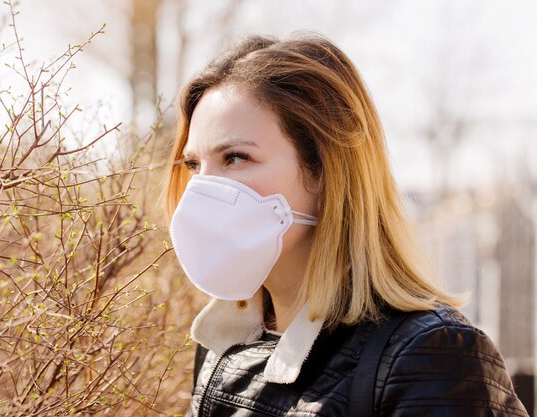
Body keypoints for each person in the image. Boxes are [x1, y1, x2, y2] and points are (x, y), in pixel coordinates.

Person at [164, 34, 528, 417]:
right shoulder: (223, 342)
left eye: (236, 157)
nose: (203, 189)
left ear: (326, 171)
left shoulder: (431, 356)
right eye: (193, 165)